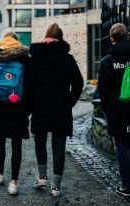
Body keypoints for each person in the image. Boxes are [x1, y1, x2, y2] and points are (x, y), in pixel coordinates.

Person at [28, 23, 83, 197]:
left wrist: (30, 107)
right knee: (59, 144)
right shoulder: (67, 59)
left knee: (40, 140)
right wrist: (70, 102)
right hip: (61, 107)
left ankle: (42, 176)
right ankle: (56, 187)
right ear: (60, 37)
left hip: (40, 106)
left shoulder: (35, 58)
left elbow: (29, 86)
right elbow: (78, 84)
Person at [0, 30, 30, 195]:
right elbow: (30, 84)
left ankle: (0, 174)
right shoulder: (25, 58)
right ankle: (14, 182)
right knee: (16, 143)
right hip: (18, 104)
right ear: (16, 42)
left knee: (0, 139)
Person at [98, 23, 130, 197]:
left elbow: (103, 90)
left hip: (118, 110)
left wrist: (107, 109)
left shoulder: (107, 61)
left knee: (122, 145)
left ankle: (127, 185)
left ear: (111, 39)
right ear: (127, 36)